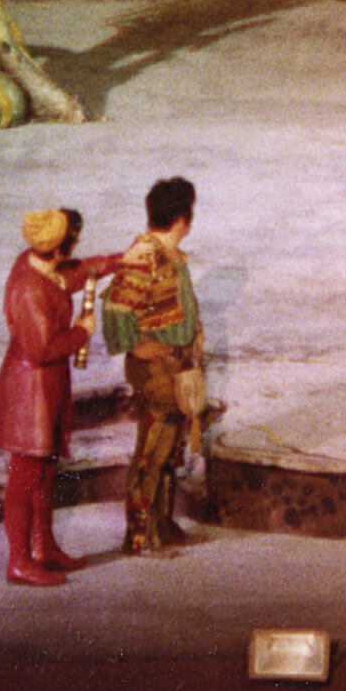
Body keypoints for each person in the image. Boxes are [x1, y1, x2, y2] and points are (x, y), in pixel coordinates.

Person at [0, 209, 120, 586]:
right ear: (60, 249)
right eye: (72, 244)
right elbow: (42, 349)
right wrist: (81, 332)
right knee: (25, 476)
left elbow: (75, 274)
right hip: (30, 393)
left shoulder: (37, 264)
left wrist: (120, 260)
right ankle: (19, 561)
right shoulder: (30, 288)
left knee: (45, 472)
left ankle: (43, 548)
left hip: (45, 387)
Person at [102, 177, 204, 554]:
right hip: (156, 370)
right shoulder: (145, 254)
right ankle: (140, 533)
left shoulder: (169, 254)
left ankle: (160, 522)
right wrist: (138, 346)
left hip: (176, 366)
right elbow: (115, 308)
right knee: (154, 448)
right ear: (182, 218)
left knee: (170, 447)